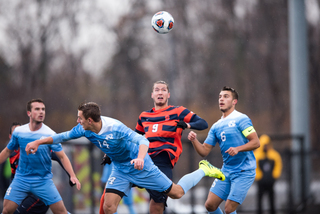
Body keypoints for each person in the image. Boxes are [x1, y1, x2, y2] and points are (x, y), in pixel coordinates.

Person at [25, 101, 225, 214]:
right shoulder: (84, 130)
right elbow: (62, 136)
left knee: (177, 193)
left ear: (89, 120)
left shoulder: (116, 128)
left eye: (80, 118)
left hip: (142, 166)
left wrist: (139, 158)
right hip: (121, 169)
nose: (77, 121)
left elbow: (144, 141)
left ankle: (203, 169)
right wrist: (37, 142)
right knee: (108, 207)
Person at [134, 80, 209, 214]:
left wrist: (187, 125)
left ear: (169, 94)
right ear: (152, 95)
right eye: (157, 90)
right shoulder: (144, 116)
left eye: (163, 90)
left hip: (163, 159)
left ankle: (203, 171)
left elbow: (203, 123)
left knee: (160, 200)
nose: (160, 92)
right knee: (113, 192)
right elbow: (133, 138)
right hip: (144, 159)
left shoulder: (178, 111)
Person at [0, 98, 81, 214]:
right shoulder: (19, 132)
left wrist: (72, 175)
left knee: (61, 212)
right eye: (37, 109)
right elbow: (7, 151)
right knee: (7, 210)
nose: (41, 112)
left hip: (43, 181)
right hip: (21, 179)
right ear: (29, 113)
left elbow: (62, 157)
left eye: (43, 109)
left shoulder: (50, 134)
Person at [188, 86, 260, 214]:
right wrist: (194, 140)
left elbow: (256, 142)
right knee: (210, 205)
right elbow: (204, 151)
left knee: (229, 208)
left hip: (244, 171)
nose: (221, 99)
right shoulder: (216, 126)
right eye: (220, 97)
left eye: (226, 96)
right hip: (226, 171)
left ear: (234, 101)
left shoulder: (241, 119)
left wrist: (238, 149)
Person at [254, 134, 282, 214]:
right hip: (261, 182)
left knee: (272, 198)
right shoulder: (257, 155)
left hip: (271, 181)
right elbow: (254, 166)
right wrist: (259, 176)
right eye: (264, 145)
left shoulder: (274, 155)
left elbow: (278, 165)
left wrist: (275, 175)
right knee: (259, 199)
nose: (265, 146)